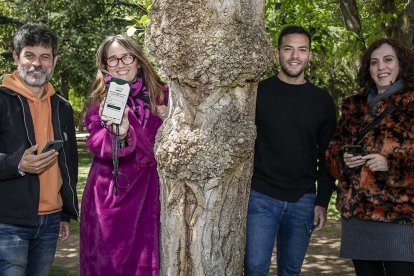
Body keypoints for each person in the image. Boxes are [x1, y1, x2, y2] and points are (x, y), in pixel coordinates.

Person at [244, 25, 337, 276]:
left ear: (309, 55)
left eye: (302, 50)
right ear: (277, 54)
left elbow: (328, 154)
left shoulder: (322, 100)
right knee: (254, 268)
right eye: (288, 49)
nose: (295, 56)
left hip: (303, 200)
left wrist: (322, 201)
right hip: (261, 196)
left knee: (290, 271)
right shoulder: (257, 93)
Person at [80, 35, 168, 275]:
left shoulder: (162, 95)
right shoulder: (101, 99)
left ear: (138, 60)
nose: (120, 64)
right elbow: (96, 143)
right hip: (111, 194)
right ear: (105, 65)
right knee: (108, 265)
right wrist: (120, 135)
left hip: (149, 195)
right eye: (113, 60)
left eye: (126, 57)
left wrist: (169, 119)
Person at [326, 38, 414, 275]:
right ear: (368, 69)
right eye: (374, 62)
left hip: (401, 220)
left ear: (401, 64)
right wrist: (343, 160)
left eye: (388, 60)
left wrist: (391, 164)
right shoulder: (353, 106)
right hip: (358, 218)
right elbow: (331, 153)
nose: (381, 67)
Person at [0, 23, 79, 275]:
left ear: (54, 60)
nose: (37, 63)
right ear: (16, 57)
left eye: (45, 56)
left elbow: (69, 163)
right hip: (8, 221)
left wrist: (65, 213)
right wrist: (17, 164)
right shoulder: (2, 100)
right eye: (29, 55)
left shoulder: (62, 106)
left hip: (51, 220)